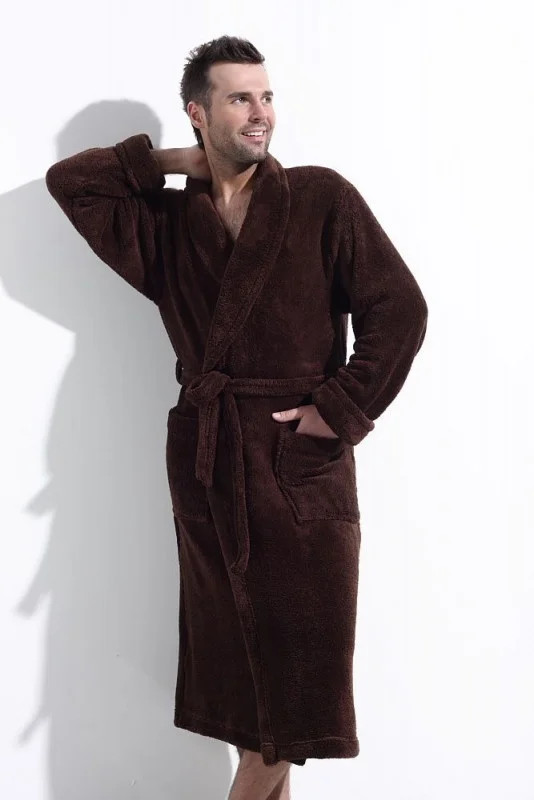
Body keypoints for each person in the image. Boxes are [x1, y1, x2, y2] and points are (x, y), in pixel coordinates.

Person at [46, 35, 428, 800]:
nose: (262, 112)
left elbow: (401, 310)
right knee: (248, 697)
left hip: (297, 469)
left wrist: (337, 411)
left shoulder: (321, 199)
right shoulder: (167, 225)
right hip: (209, 466)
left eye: (267, 96)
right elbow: (72, 182)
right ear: (199, 112)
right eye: (240, 98)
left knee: (291, 703)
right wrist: (179, 163)